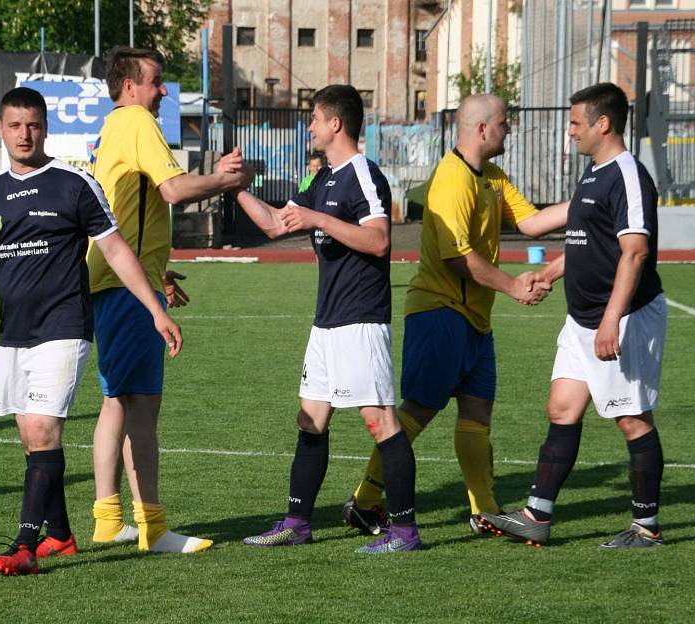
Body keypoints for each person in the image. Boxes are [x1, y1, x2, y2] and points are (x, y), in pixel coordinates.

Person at [0, 87, 183, 576]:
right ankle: (62, 536)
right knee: (31, 441)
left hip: (65, 326)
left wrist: (155, 309)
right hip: (13, 335)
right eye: (14, 125)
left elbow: (114, 250)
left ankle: (26, 546)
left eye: (33, 125)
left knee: (43, 430)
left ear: (44, 127)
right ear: (1, 129)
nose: (24, 134)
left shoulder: (73, 184)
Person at [342, 94, 569, 537]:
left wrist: (594, 200)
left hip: (474, 321)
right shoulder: (452, 178)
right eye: (505, 123)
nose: (510, 130)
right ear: (482, 129)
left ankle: (484, 509)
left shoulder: (493, 178)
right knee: (418, 411)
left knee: (478, 412)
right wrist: (514, 286)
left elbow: (532, 222)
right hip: (439, 313)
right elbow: (455, 256)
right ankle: (364, 501)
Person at [476, 83, 666, 549]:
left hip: (623, 318)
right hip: (582, 319)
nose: (570, 130)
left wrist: (610, 320)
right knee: (561, 408)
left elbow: (634, 253)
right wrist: (553, 271)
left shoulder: (627, 175)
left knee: (632, 419)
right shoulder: (593, 173)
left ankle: (647, 526)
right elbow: (588, 243)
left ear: (604, 123)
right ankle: (537, 515)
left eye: (576, 122)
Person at [235, 84, 420, 554]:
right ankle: (297, 522)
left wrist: (319, 220)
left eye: (315, 118)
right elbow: (279, 224)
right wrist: (234, 189)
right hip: (327, 325)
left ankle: (404, 532)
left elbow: (378, 240)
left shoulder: (362, 174)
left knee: (381, 423)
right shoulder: (322, 178)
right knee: (310, 419)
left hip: (361, 321)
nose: (310, 127)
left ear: (336, 123)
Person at [86, 47, 253, 554]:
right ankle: (153, 527)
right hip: (126, 288)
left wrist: (157, 273)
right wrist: (226, 181)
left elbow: (139, 205)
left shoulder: (114, 125)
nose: (163, 91)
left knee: (117, 401)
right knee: (141, 404)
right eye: (157, 81)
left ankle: (108, 518)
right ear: (130, 87)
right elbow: (174, 189)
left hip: (116, 279)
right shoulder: (136, 120)